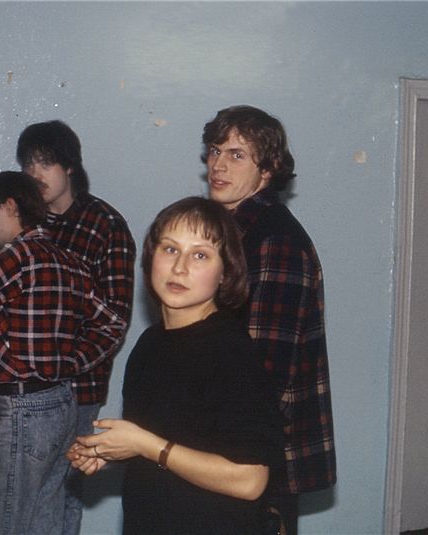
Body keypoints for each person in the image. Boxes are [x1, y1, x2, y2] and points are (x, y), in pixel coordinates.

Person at [67, 197, 284, 535]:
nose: (180, 267)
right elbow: (170, 443)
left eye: (200, 255)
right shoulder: (150, 344)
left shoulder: (231, 352)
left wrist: (144, 445)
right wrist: (114, 452)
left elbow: (250, 480)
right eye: (170, 249)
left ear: (225, 273)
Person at [0, 171, 126, 535]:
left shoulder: (14, 258)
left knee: (4, 524)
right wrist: (72, 362)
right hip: (62, 403)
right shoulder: (68, 260)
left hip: (21, 411)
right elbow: (111, 323)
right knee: (43, 523)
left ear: (9, 207)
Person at [203, 105, 337, 533]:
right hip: (230, 445)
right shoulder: (231, 233)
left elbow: (266, 371)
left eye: (237, 154)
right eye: (215, 151)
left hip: (254, 454)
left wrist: (215, 446)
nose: (218, 165)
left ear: (268, 170)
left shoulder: (275, 240)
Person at [18, 120, 136, 534]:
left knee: (65, 490)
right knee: (20, 495)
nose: (35, 173)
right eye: (28, 163)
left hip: (77, 388)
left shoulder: (105, 224)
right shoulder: (21, 222)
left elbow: (114, 318)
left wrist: (64, 365)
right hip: (21, 386)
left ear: (69, 166)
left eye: (46, 162)